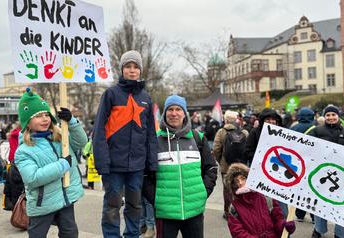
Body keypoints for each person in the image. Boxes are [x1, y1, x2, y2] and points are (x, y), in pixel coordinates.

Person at [92, 50, 158, 238]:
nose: (132, 70)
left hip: (137, 166)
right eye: (128, 66)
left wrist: (151, 163)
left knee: (135, 205)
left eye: (135, 67)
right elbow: (99, 131)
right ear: (122, 70)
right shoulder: (110, 94)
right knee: (112, 205)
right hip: (114, 165)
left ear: (140, 70)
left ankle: (132, 235)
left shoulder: (145, 97)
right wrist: (102, 163)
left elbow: (150, 134)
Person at [14, 88, 87, 237]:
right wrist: (62, 165)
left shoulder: (60, 137)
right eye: (38, 116)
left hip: (65, 197)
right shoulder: (23, 150)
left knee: (70, 234)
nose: (45, 119)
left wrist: (71, 122)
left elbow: (81, 141)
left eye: (47, 114)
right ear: (27, 122)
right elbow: (32, 178)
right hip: (43, 204)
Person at [147, 95, 217, 238]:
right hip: (165, 213)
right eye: (170, 109)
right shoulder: (154, 140)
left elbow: (211, 167)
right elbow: (144, 175)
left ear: (184, 113)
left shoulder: (198, 138)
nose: (174, 113)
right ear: (164, 113)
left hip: (194, 211)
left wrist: (203, 192)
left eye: (178, 109)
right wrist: (156, 199)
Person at [308, 105, 344, 238]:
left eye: (333, 114)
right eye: (328, 115)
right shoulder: (316, 130)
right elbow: (308, 148)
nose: (331, 117)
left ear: (338, 116)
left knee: (343, 206)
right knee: (320, 204)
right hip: (321, 173)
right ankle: (318, 230)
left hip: (343, 175)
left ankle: (341, 234)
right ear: (324, 117)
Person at [226, 163, 296, 238]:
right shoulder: (234, 207)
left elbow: (278, 219)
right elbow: (237, 232)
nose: (240, 183)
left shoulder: (266, 198)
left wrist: (284, 226)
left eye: (243, 178)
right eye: (236, 181)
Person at [212, 110, 249, 220]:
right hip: (241, 167)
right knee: (241, 187)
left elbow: (216, 149)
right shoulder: (244, 132)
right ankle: (242, 212)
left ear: (226, 120)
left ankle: (228, 212)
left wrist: (221, 161)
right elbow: (247, 150)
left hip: (226, 167)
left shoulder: (221, 132)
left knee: (227, 190)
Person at [290, 107, 316, 222]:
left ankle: (299, 214)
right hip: (312, 163)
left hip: (297, 163)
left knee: (300, 189)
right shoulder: (316, 129)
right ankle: (313, 216)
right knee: (312, 189)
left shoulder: (293, 128)